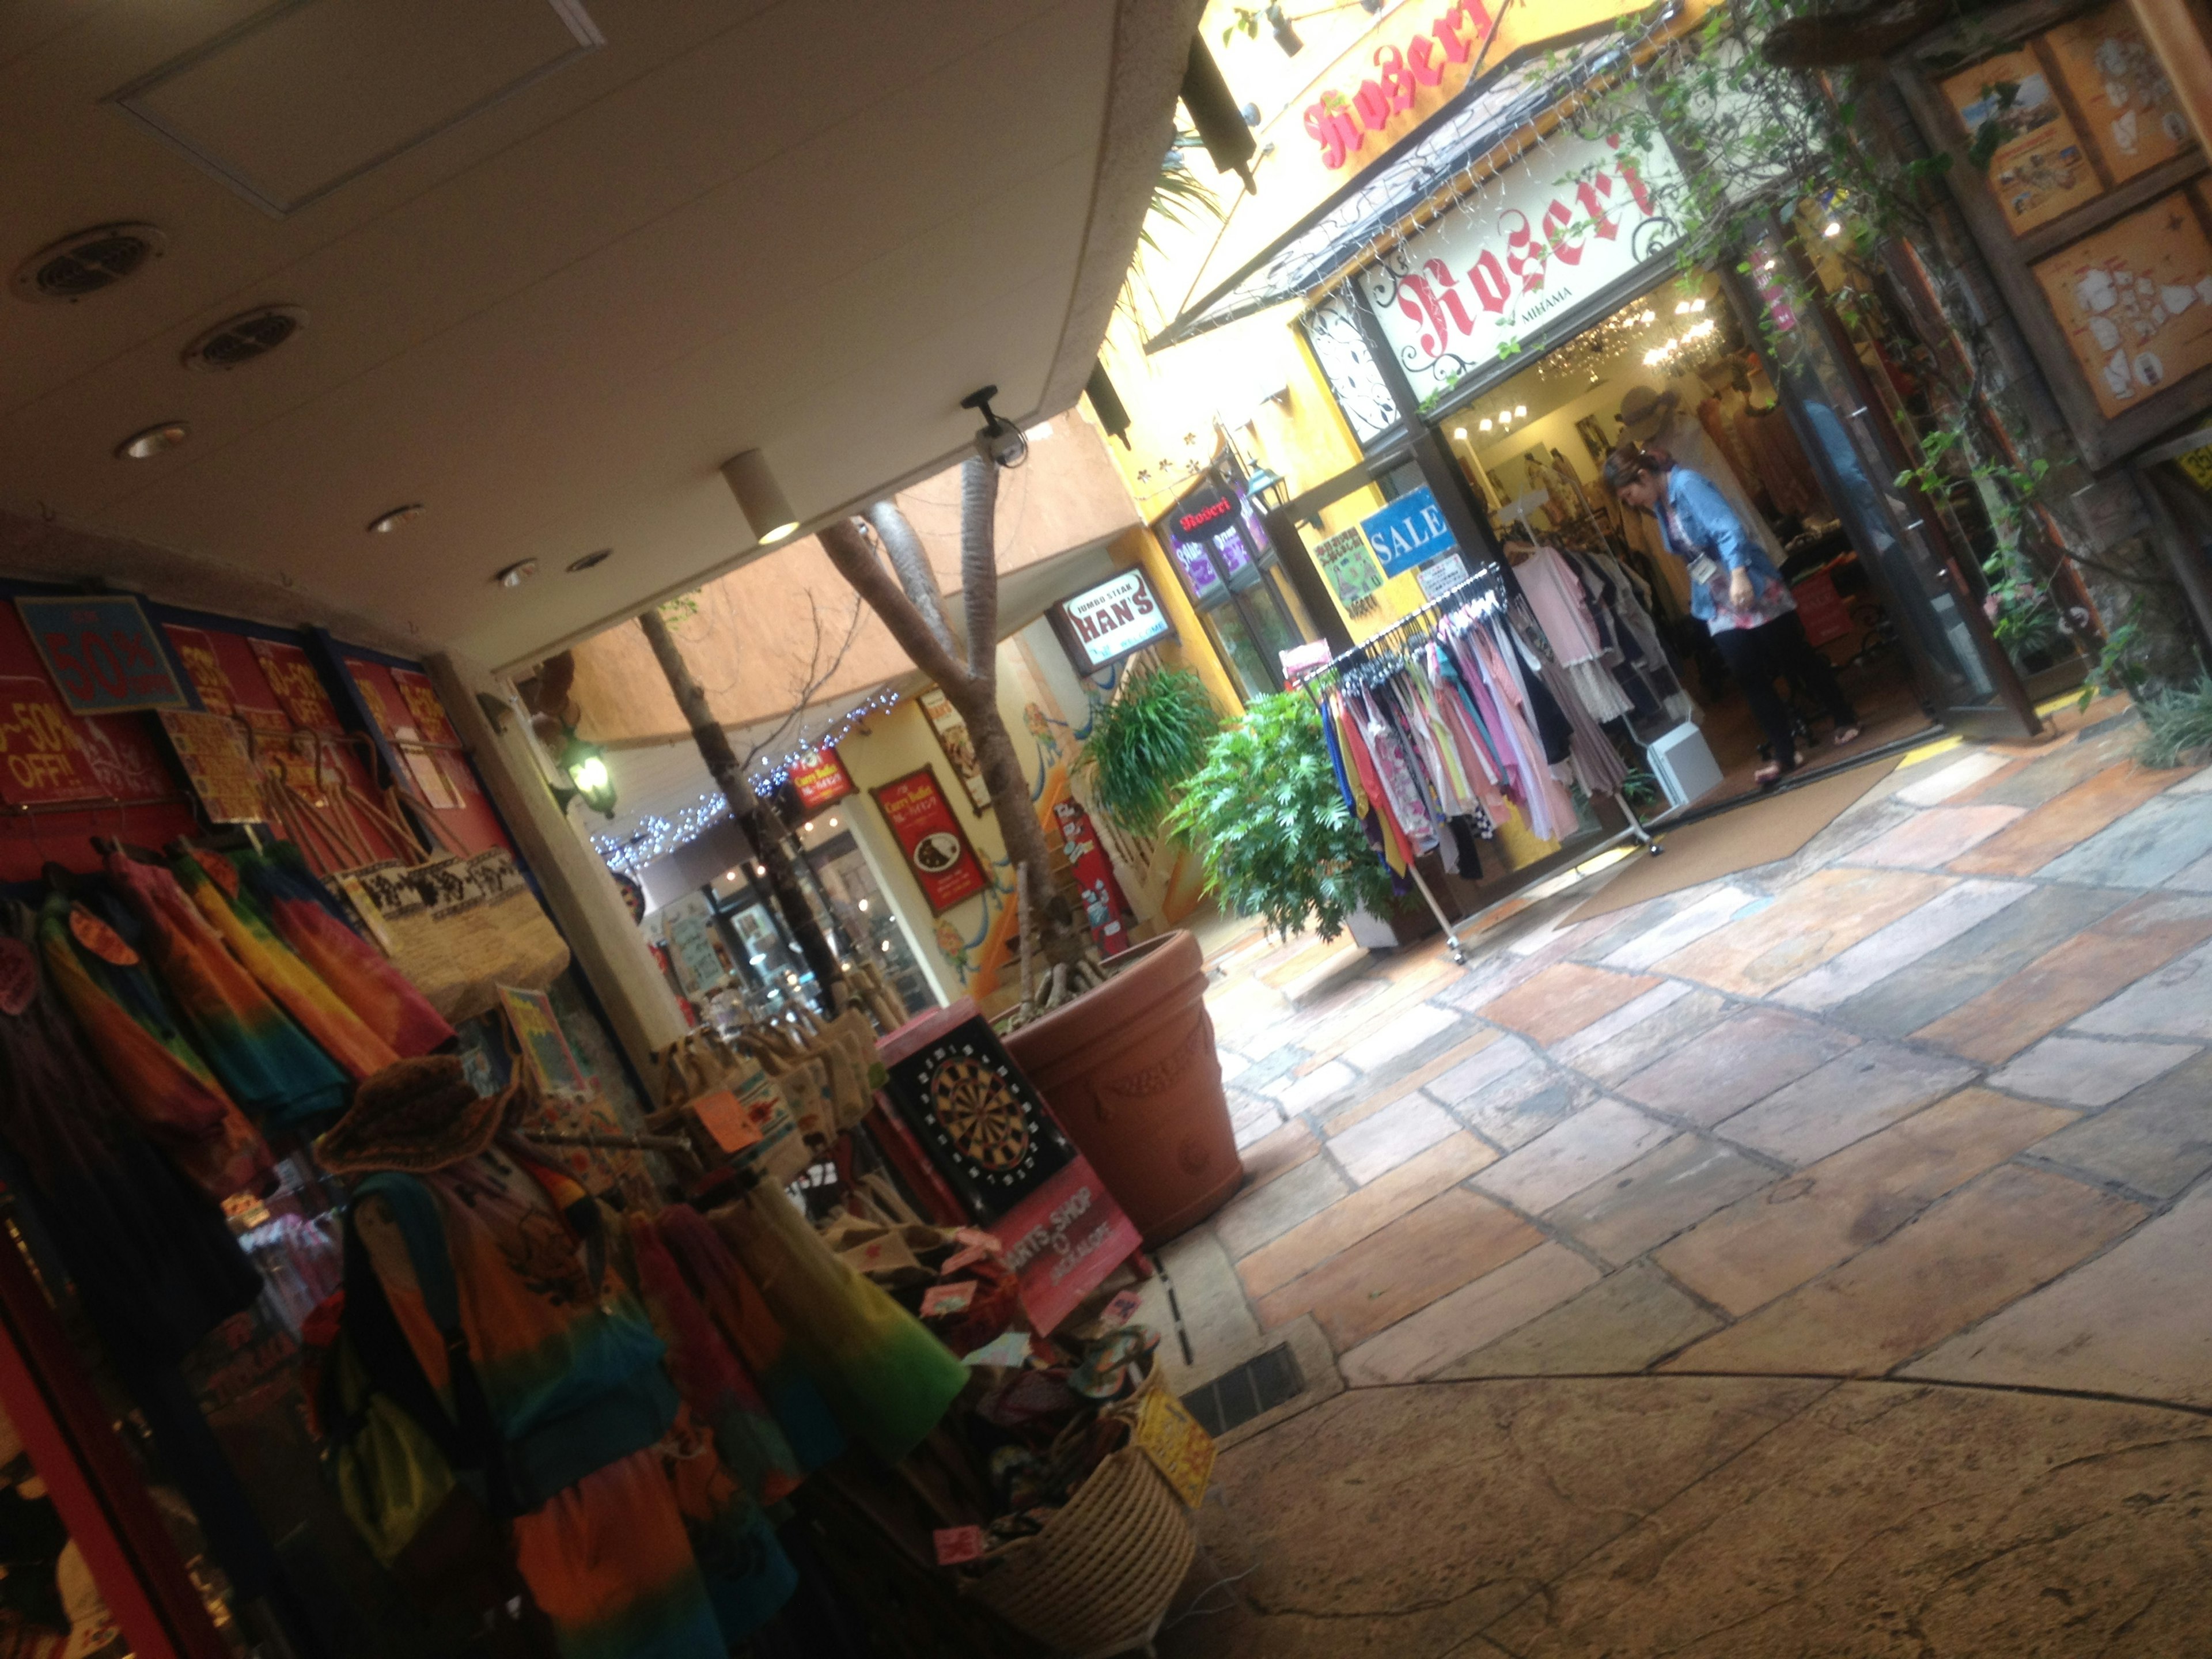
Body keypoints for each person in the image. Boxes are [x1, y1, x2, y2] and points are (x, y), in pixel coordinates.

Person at [1605, 441, 1859, 784]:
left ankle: (1844, 716)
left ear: (1642, 475)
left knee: (1794, 657)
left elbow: (1728, 528)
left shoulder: (1687, 484)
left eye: (1628, 494)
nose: (1630, 502)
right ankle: (1785, 753)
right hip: (1717, 597)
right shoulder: (1661, 504)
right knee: (1746, 673)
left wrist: (1739, 574)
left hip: (1747, 581)